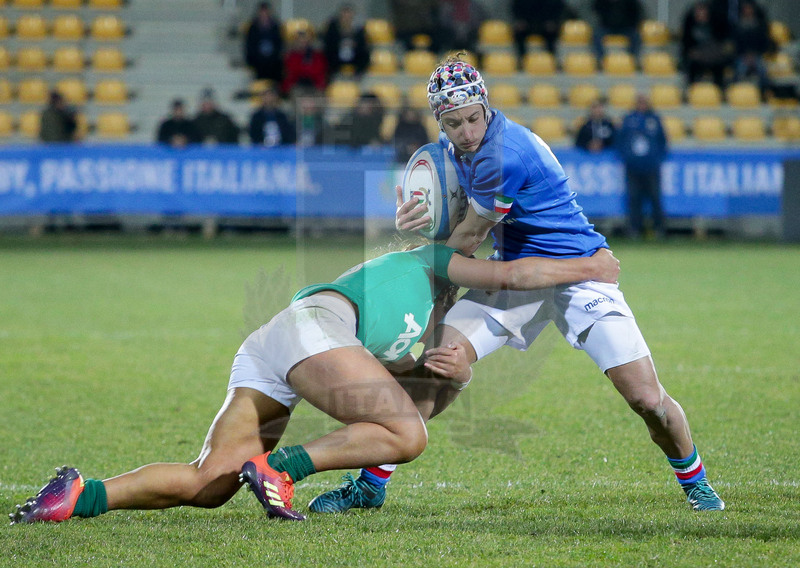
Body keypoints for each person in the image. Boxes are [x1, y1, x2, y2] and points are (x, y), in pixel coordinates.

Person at [312, 55, 724, 515]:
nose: (468, 131)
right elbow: (456, 226)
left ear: (486, 105)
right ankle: (371, 483)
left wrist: (429, 255)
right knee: (436, 369)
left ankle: (696, 481)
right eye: (454, 123)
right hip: (512, 271)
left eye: (473, 118)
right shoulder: (447, 155)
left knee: (649, 401)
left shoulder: (503, 154)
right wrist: (414, 219)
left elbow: (469, 235)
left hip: (577, 271)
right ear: (440, 123)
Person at [9, 244, 620, 524]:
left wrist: (457, 375)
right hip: (313, 329)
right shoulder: (429, 258)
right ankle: (283, 471)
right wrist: (590, 267)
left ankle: (80, 495)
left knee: (209, 483)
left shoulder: (420, 327)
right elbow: (513, 273)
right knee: (407, 437)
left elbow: (406, 398)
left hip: (277, 343)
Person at [616, 93, 668, 239]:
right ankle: (634, 230)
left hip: (651, 167)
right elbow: (620, 140)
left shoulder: (654, 119)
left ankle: (659, 229)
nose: (642, 105)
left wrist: (656, 159)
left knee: (655, 198)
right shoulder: (628, 119)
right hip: (633, 167)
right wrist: (627, 158)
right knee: (634, 198)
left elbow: (662, 141)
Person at [680, 1, 734, 88]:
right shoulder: (690, 25)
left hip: (713, 58)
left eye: (702, 12)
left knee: (719, 66)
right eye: (697, 12)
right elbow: (686, 46)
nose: (699, 15)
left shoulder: (717, 25)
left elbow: (720, 46)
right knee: (691, 66)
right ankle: (691, 90)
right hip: (698, 58)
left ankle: (719, 91)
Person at [732, 0, 773, 95]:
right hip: (742, 56)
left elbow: (764, 43)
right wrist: (745, 55)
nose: (747, 11)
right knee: (739, 70)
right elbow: (736, 45)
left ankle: (765, 93)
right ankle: (735, 93)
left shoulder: (760, 25)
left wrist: (754, 54)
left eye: (749, 8)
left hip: (757, 55)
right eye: (745, 8)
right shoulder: (737, 26)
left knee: (762, 70)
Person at [323, 3, 370, 79]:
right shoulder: (332, 29)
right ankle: (331, 75)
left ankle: (358, 74)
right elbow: (328, 44)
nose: (346, 18)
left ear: (352, 16)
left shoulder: (359, 30)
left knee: (365, 54)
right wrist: (339, 44)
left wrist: (354, 44)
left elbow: (363, 46)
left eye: (349, 15)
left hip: (354, 56)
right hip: (336, 57)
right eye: (344, 15)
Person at [244, 1, 284, 82]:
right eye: (262, 12)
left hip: (273, 62)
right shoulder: (253, 28)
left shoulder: (276, 27)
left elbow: (279, 45)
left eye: (266, 12)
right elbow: (249, 46)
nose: (264, 15)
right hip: (257, 62)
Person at [281, 29, 328, 96]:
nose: (302, 44)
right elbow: (292, 72)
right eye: (299, 41)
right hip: (297, 86)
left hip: (314, 85)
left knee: (319, 96)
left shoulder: (317, 55)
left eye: (304, 41)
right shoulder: (290, 56)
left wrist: (304, 69)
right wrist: (306, 68)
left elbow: (318, 71)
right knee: (296, 94)